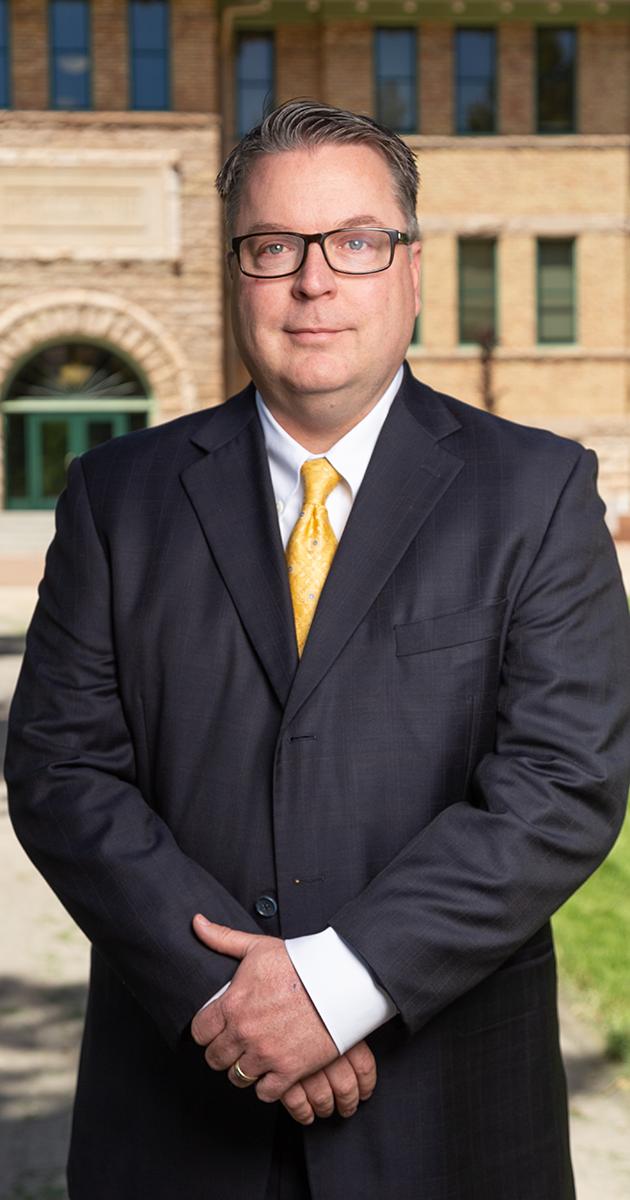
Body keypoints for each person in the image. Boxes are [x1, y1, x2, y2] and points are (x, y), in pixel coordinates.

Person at [5, 99, 630, 1200]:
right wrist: (234, 1003)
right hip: (176, 1122)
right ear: (235, 271)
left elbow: (562, 781)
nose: (314, 280)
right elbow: (59, 771)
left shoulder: (537, 493)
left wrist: (341, 988)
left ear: (412, 268)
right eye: (272, 247)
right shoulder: (117, 499)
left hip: (449, 1124)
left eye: (355, 241)